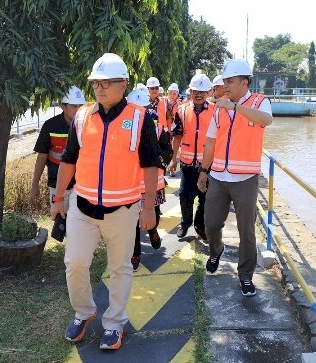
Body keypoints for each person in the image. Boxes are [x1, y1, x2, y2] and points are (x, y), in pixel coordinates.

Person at [51, 53, 159, 350]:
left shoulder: (140, 118)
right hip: (82, 206)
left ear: (123, 84)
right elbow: (69, 160)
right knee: (74, 262)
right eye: (96, 83)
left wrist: (148, 206)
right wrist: (58, 198)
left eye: (106, 82)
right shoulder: (83, 116)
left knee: (120, 267)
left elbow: (151, 163)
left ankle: (114, 322)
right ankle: (84, 312)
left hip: (123, 209)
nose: (99, 88)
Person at [197, 59, 273, 297]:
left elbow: (266, 120)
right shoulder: (220, 108)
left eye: (230, 81)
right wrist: (204, 170)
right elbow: (211, 140)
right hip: (218, 176)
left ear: (244, 81)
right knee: (210, 223)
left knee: (246, 231)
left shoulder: (261, 102)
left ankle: (246, 275)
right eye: (224, 81)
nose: (225, 85)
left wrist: (235, 108)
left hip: (246, 179)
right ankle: (216, 249)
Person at [126, 89, 172, 272]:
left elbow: (167, 151)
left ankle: (152, 230)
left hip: (153, 183)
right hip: (130, 184)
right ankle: (135, 252)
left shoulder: (159, 129)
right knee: (131, 221)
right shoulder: (124, 129)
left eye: (143, 108)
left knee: (153, 215)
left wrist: (158, 164)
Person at [169, 74, 214, 240]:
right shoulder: (181, 110)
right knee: (184, 196)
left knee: (206, 198)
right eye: (195, 91)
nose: (199, 94)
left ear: (209, 92)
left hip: (208, 164)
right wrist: (174, 158)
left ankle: (199, 226)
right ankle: (185, 223)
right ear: (190, 91)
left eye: (202, 91)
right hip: (187, 164)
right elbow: (177, 136)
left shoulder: (216, 112)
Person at [30, 86, 86, 212]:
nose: (78, 110)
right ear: (62, 106)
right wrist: (34, 185)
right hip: (57, 185)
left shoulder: (89, 126)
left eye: (80, 106)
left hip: (82, 186)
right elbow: (42, 157)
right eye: (74, 106)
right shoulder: (50, 126)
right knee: (60, 224)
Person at [166, 83, 181, 176]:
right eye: (170, 93)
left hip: (175, 129)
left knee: (175, 149)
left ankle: (172, 168)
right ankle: (168, 166)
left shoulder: (180, 104)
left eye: (174, 93)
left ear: (177, 94)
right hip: (167, 128)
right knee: (167, 149)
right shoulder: (164, 102)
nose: (172, 95)